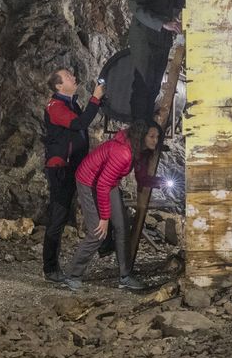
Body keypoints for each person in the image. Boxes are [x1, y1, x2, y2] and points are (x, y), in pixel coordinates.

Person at [64, 120, 166, 291]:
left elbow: (139, 177)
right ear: (142, 136)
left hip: (107, 182)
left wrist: (155, 181)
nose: (155, 141)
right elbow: (102, 185)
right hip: (88, 181)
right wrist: (104, 218)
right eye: (152, 136)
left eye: (157, 137)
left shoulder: (138, 150)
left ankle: (125, 276)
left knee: (122, 226)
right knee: (97, 232)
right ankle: (72, 275)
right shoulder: (123, 152)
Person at [41, 68, 104, 287]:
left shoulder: (71, 103)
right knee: (58, 218)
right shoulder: (56, 107)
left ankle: (104, 246)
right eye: (68, 76)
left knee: (72, 212)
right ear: (59, 85)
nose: (74, 77)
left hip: (75, 168)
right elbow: (79, 124)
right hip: (61, 170)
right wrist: (95, 99)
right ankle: (50, 268)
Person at [126, 0, 183, 122]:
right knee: (143, 84)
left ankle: (147, 126)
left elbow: (175, 1)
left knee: (154, 85)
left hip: (162, 40)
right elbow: (138, 8)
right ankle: (138, 127)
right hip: (145, 39)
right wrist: (163, 23)